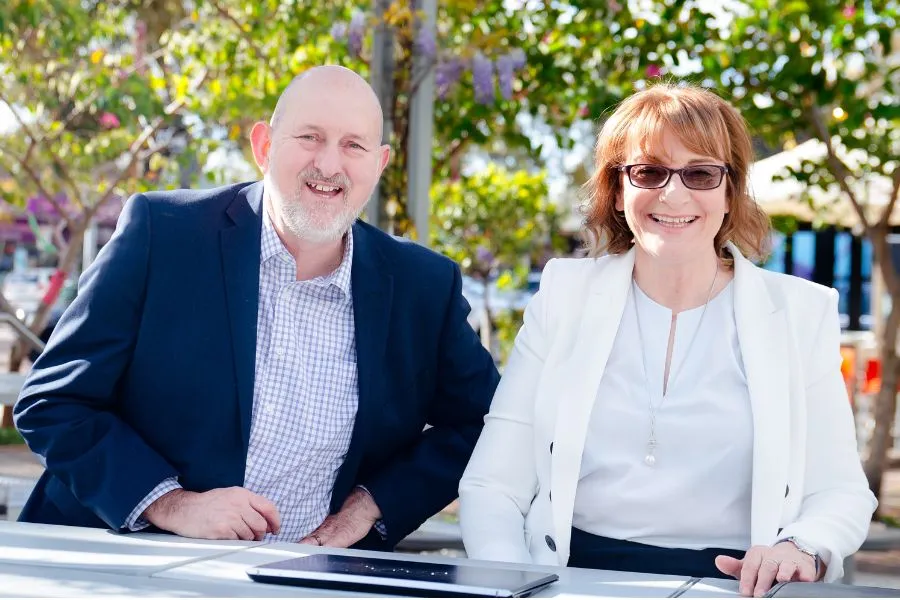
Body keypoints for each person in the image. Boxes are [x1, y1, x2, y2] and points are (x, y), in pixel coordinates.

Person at [15, 65, 499, 551]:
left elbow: (485, 422)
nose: (329, 165)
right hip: (122, 563)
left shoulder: (423, 287)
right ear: (264, 146)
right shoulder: (162, 235)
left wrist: (371, 506)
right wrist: (173, 504)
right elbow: (54, 402)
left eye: (354, 145)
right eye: (310, 137)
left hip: (307, 579)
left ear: (379, 163)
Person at [458, 84, 876, 596]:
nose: (673, 194)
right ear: (617, 190)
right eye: (648, 171)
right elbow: (492, 486)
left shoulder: (799, 313)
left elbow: (840, 492)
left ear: (730, 193)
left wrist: (804, 547)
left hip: (732, 588)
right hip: (568, 583)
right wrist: (517, 587)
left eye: (700, 173)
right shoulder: (564, 296)